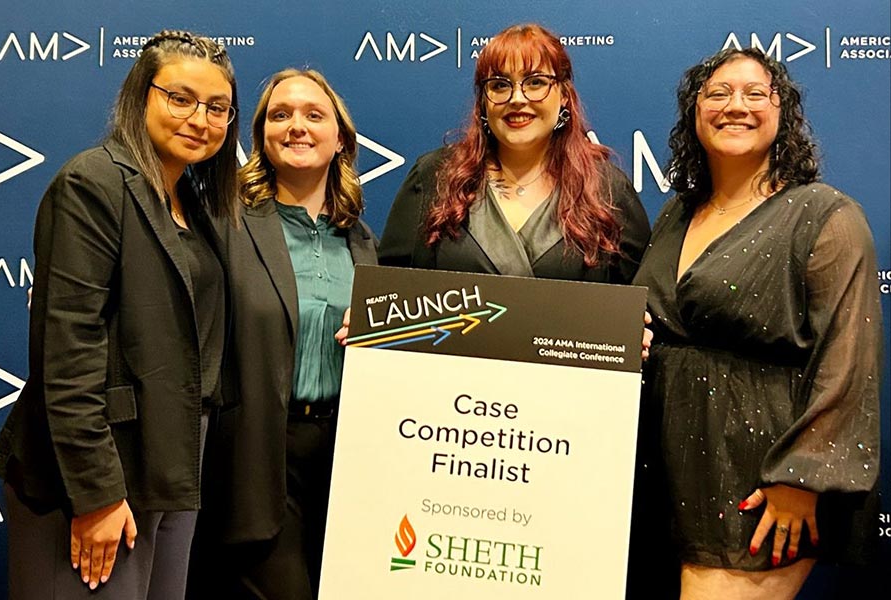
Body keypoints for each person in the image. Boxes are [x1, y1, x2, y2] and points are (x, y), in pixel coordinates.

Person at [0, 30, 239, 599]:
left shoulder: (196, 202)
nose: (199, 118)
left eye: (218, 107)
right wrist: (97, 493)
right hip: (98, 478)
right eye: (179, 98)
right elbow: (68, 353)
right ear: (140, 96)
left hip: (170, 470)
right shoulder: (92, 183)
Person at [632, 47, 881, 599]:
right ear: (695, 113)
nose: (734, 106)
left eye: (754, 93)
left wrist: (802, 475)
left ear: (781, 111)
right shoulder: (678, 212)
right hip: (665, 471)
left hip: (758, 480)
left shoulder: (826, 216)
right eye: (717, 93)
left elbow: (849, 359)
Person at [189, 69, 377, 600]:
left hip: (346, 461)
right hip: (256, 460)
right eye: (280, 115)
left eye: (313, 115)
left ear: (341, 138)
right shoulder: (223, 223)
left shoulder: (362, 241)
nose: (296, 126)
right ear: (261, 136)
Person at [379, 23, 649, 285]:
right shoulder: (435, 177)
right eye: (499, 85)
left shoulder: (607, 190)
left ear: (564, 94)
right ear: (483, 100)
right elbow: (388, 291)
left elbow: (636, 304)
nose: (517, 98)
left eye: (535, 82)